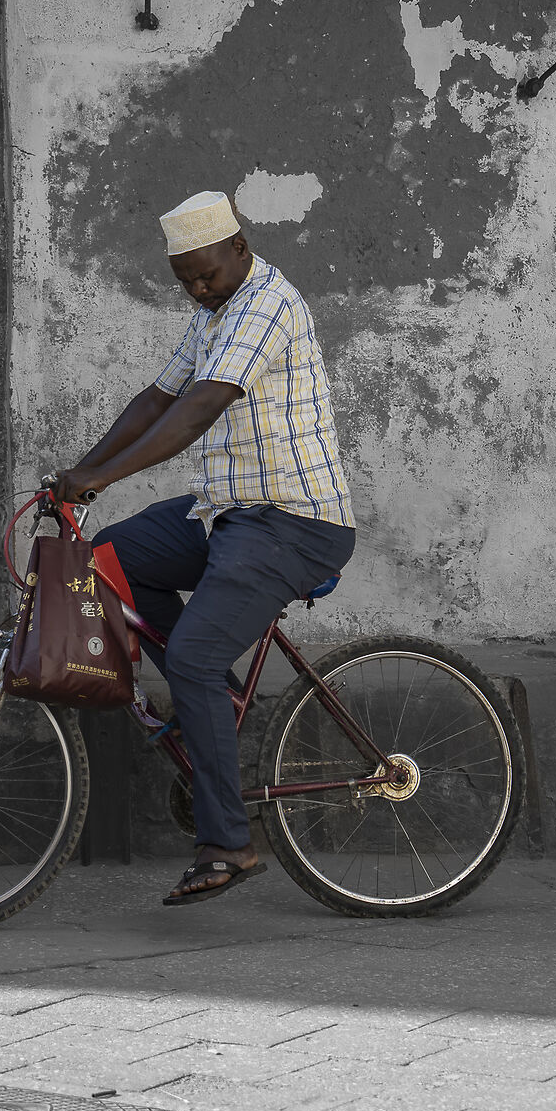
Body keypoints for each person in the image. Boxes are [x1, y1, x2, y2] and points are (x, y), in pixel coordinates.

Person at [52, 190, 356, 906]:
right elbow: (158, 396)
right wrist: (79, 474)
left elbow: (197, 407)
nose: (197, 288)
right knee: (105, 561)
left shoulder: (266, 304)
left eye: (206, 274)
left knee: (190, 652)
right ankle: (209, 695)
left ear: (239, 249)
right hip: (225, 513)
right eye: (184, 278)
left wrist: (105, 474)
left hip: (294, 523)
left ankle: (227, 842)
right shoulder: (214, 311)